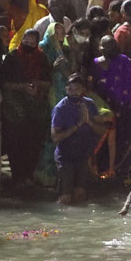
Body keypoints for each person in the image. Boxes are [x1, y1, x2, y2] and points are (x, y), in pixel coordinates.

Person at [50, 73, 107, 205]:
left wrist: (89, 122)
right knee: (66, 198)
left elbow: (102, 130)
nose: (74, 93)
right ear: (66, 89)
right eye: (70, 89)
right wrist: (77, 125)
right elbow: (55, 137)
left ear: (83, 90)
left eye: (77, 90)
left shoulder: (90, 105)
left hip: (83, 156)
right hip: (65, 157)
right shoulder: (60, 108)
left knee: (80, 195)